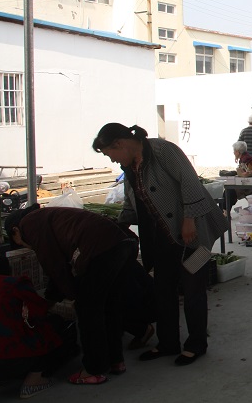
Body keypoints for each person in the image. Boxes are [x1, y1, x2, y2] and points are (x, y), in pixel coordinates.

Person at [93, 123, 228, 366]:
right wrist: (118, 225)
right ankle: (168, 343)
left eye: (108, 153)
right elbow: (132, 201)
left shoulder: (162, 150)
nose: (111, 160)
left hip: (194, 234)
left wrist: (189, 219)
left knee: (193, 287)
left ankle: (196, 344)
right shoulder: (130, 166)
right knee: (163, 288)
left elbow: (190, 182)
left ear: (119, 144)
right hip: (160, 237)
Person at [4, 205, 139, 384]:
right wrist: (56, 296)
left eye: (20, 243)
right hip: (123, 243)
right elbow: (60, 263)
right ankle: (116, 361)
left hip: (101, 248)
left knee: (88, 310)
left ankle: (93, 369)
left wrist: (68, 296)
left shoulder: (28, 224)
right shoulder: (44, 216)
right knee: (109, 305)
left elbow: (54, 264)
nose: (26, 245)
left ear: (15, 231)